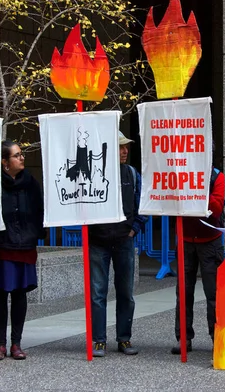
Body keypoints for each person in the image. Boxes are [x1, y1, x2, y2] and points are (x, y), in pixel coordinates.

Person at [0, 140, 44, 361]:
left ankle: (16, 344)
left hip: (24, 245)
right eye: (17, 155)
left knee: (19, 292)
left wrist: (34, 233)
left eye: (21, 154)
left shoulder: (31, 183)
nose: (22, 158)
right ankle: (0, 345)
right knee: (0, 292)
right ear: (5, 162)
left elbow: (40, 211)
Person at [88, 131, 147, 357]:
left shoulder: (131, 173)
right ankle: (99, 340)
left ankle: (124, 338)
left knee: (125, 292)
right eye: (120, 147)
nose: (125, 151)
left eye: (126, 147)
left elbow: (142, 201)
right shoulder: (94, 173)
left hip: (124, 239)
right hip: (99, 240)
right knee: (97, 292)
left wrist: (135, 227)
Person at [171, 165, 225, 354]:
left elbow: (216, 208)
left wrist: (197, 188)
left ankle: (216, 338)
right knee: (184, 293)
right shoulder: (182, 173)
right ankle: (183, 338)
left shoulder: (217, 176)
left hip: (210, 241)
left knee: (214, 293)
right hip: (186, 239)